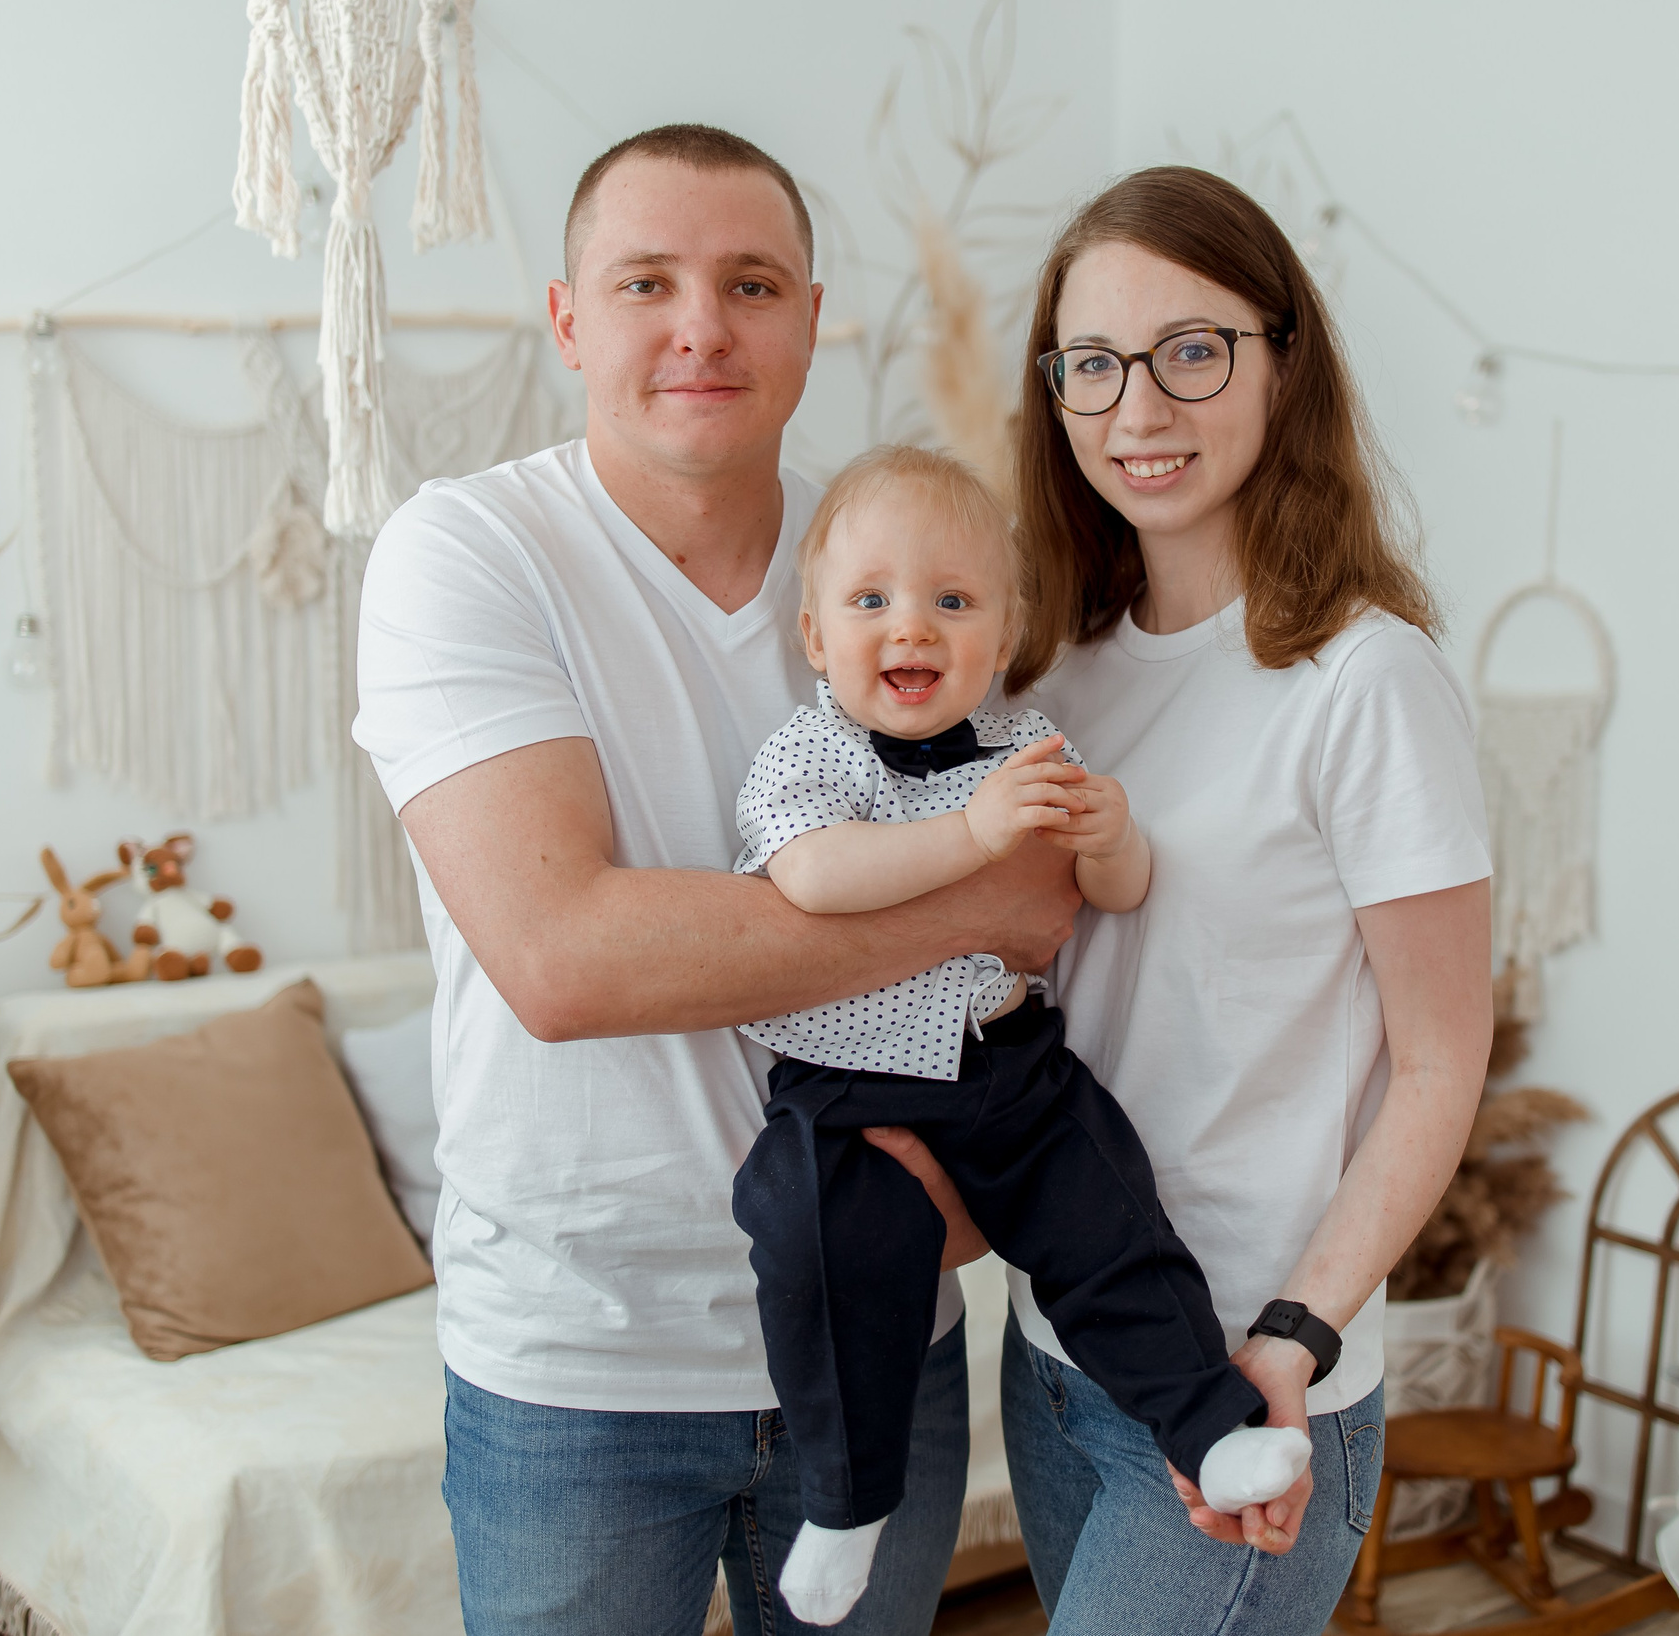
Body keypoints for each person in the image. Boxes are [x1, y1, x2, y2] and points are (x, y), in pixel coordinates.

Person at [352, 124, 1078, 1636]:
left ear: (814, 317)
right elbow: (566, 959)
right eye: (646, 281)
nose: (701, 325)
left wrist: (966, 1181)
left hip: (889, 1328)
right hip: (578, 1366)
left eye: (751, 282)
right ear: (568, 318)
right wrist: (972, 907)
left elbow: (1056, 891)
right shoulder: (467, 550)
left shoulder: (894, 561)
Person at [992, 164, 1494, 1634]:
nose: (1139, 409)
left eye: (1192, 349)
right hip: (1056, 1346)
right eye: (1096, 364)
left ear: (1285, 360)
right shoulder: (1052, 667)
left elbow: (1443, 1054)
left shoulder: (1367, 678)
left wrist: (1296, 1329)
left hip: (1252, 1374)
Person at [725, 445, 1312, 1625]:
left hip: (1007, 1067)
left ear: (1000, 638)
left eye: (953, 602)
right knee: (817, 1248)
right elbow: (817, 878)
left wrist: (1108, 835)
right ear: (812, 632)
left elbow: (1122, 893)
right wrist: (979, 840)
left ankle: (1210, 1428)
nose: (913, 629)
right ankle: (844, 1501)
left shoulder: (1028, 747)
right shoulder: (809, 753)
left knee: (1114, 1219)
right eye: (871, 600)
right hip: (846, 1089)